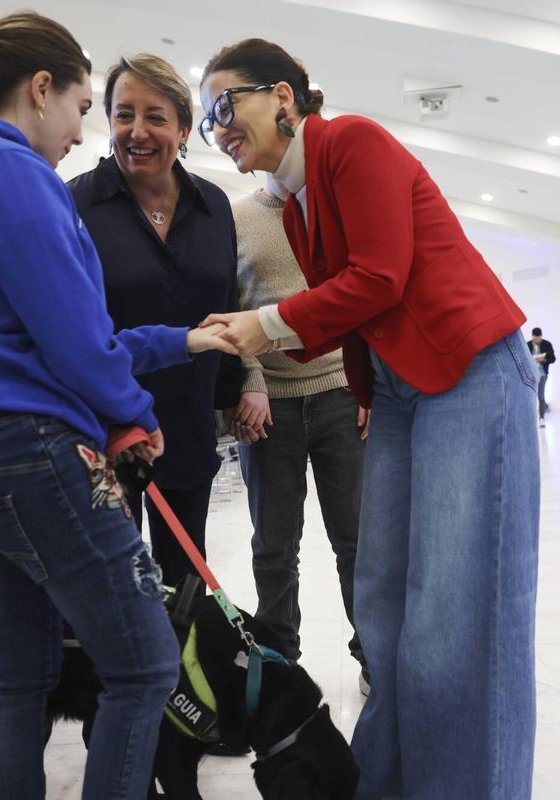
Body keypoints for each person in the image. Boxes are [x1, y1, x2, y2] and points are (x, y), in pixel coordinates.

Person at [0, 4, 235, 798]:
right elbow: (76, 345)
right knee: (145, 667)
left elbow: (41, 334)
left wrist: (182, 341)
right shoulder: (12, 172)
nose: (83, 134)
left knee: (20, 671)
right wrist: (134, 415)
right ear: (42, 89)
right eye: (84, 108)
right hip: (30, 450)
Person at [198, 39, 541, 800]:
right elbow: (333, 321)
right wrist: (236, 341)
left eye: (226, 104)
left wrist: (265, 323)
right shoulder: (293, 206)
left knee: (458, 624)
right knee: (383, 615)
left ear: (284, 96)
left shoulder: (351, 140)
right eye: (207, 117)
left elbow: (381, 276)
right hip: (392, 391)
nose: (217, 126)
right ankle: (384, 783)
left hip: (467, 371)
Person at [68, 54, 243, 586]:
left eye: (155, 117)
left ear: (185, 129)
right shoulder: (74, 202)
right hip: (102, 430)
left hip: (188, 424)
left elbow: (227, 303)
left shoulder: (214, 205)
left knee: (186, 578)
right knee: (111, 581)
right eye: (124, 115)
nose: (137, 132)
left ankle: (183, 673)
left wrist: (235, 392)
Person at [230, 178, 368, 693]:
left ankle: (372, 657)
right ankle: (279, 663)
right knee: (274, 546)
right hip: (268, 407)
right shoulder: (237, 218)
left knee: (356, 543)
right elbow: (228, 305)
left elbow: (367, 299)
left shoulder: (338, 214)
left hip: (341, 395)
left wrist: (368, 387)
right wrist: (250, 380)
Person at [529, 327, 556, 426]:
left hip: (542, 374)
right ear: (532, 337)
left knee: (541, 395)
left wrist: (543, 360)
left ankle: (541, 417)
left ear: (541, 336)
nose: (537, 340)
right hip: (530, 374)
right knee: (530, 396)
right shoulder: (527, 345)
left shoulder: (547, 344)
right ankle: (530, 417)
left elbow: (552, 358)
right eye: (535, 338)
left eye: (538, 338)